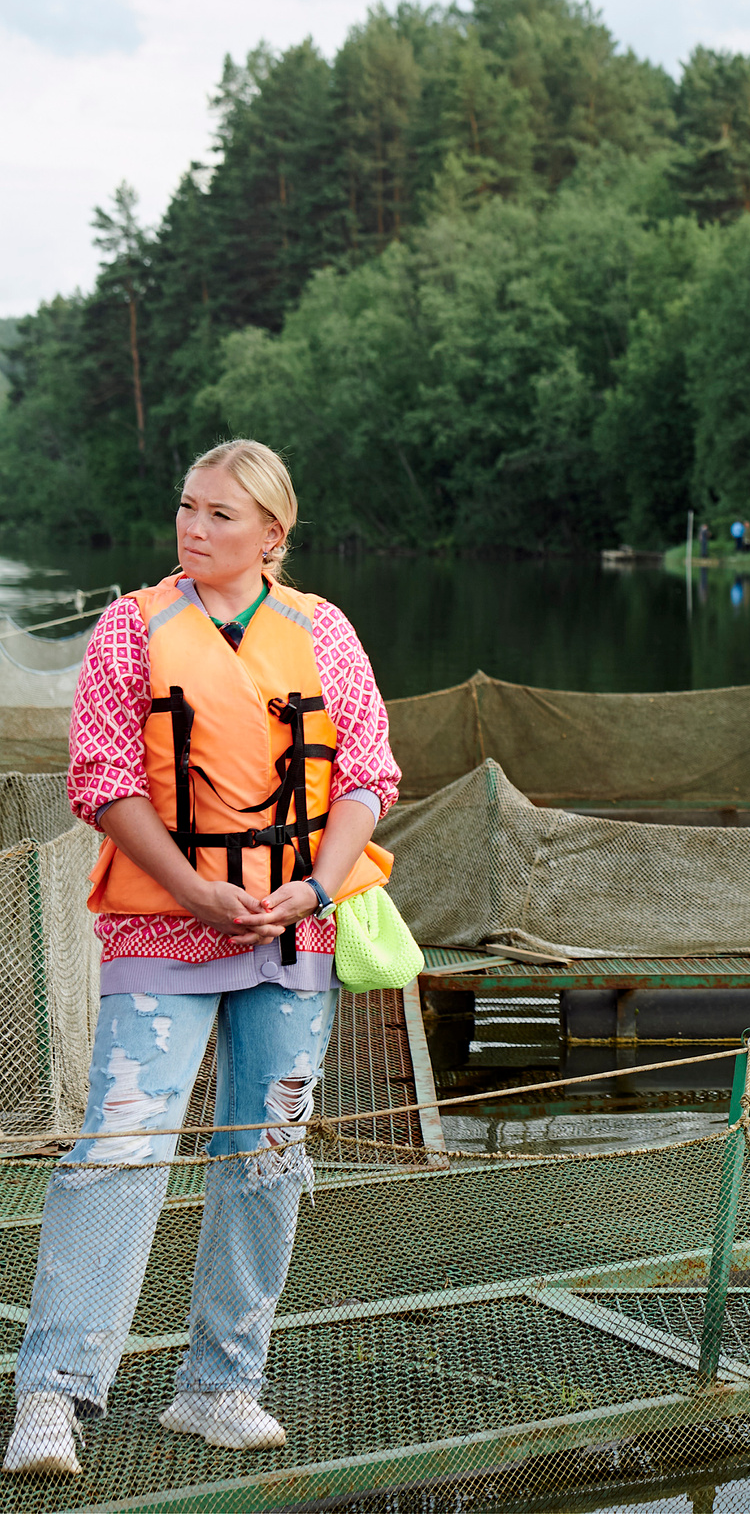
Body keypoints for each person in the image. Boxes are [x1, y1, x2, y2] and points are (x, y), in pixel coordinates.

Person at [5, 440, 400, 1476]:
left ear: (274, 533)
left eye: (222, 514)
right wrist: (192, 891)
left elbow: (367, 778)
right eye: (188, 507)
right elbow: (100, 778)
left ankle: (221, 1386)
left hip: (294, 928)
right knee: (122, 1149)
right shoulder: (131, 628)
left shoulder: (325, 632)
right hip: (161, 927)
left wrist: (313, 888)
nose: (194, 527)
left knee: (265, 1154)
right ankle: (53, 1395)